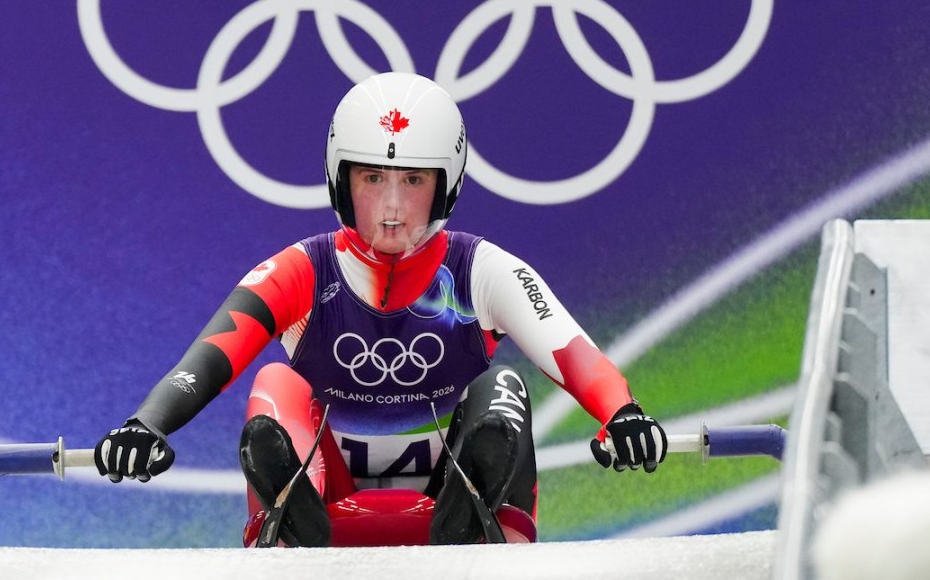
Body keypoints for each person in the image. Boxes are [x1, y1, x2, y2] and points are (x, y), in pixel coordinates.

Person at [94, 72, 668, 547]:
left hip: (461, 501)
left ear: (446, 185)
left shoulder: (484, 269)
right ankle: (293, 522)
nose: (392, 209)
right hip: (325, 502)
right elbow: (210, 357)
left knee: (503, 385)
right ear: (341, 180)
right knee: (274, 381)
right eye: (372, 178)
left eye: (413, 180)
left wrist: (622, 414)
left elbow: (573, 354)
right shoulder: (301, 269)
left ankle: (478, 533)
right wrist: (146, 426)